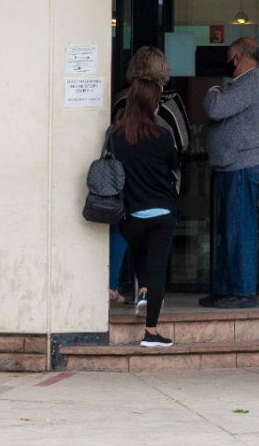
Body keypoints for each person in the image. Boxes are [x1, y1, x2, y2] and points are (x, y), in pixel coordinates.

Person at [109, 46, 191, 307]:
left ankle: (113, 284)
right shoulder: (171, 101)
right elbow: (183, 141)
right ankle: (147, 291)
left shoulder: (123, 98)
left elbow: (113, 134)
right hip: (161, 185)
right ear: (163, 70)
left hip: (128, 183)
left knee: (125, 231)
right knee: (156, 238)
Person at [108, 80, 180, 347]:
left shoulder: (115, 135)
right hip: (162, 211)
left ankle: (142, 290)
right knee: (158, 268)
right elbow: (174, 167)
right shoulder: (162, 136)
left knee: (138, 252)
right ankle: (151, 331)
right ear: (153, 104)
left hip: (131, 214)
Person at [201, 37, 259, 309]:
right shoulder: (244, 84)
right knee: (227, 231)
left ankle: (242, 292)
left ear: (240, 57)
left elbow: (216, 109)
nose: (229, 64)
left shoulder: (250, 82)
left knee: (238, 231)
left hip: (243, 165)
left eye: (231, 58)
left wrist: (212, 90)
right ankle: (225, 289)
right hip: (232, 165)